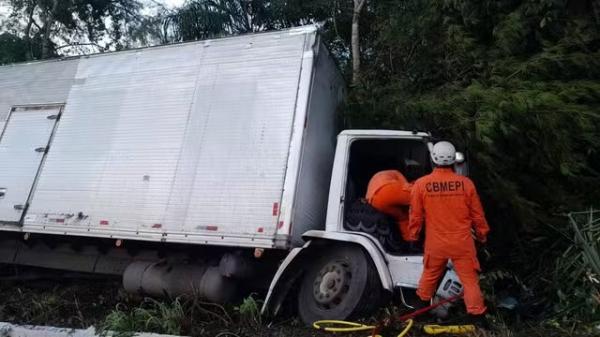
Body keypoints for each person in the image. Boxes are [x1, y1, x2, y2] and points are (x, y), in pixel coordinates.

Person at [407, 141, 490, 321]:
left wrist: (413, 237)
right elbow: (478, 215)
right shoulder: (466, 184)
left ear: (433, 159)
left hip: (436, 244)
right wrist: (482, 235)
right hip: (462, 243)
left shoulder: (421, 185)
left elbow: (415, 216)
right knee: (469, 281)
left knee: (428, 277)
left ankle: (417, 315)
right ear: (454, 160)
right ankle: (478, 318)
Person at [365, 169, 413, 241]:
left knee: (403, 217)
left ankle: (409, 240)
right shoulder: (397, 172)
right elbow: (407, 187)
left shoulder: (383, 174)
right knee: (421, 197)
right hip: (386, 189)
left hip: (374, 201)